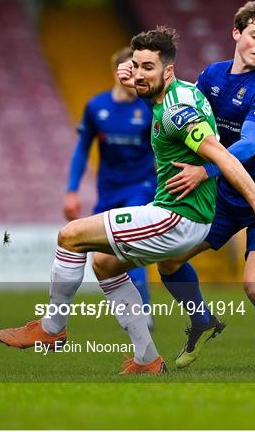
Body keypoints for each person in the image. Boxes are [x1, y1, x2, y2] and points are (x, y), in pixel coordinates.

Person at [0, 26, 255, 376]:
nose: (138, 74)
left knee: (69, 236)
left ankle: (52, 329)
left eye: (147, 68)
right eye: (135, 66)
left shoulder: (178, 113)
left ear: (167, 71)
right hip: (181, 212)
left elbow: (226, 157)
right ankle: (147, 359)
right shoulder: (179, 90)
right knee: (104, 264)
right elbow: (155, 94)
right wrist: (138, 80)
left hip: (178, 217)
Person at [156, 0, 255, 371]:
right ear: (236, 33)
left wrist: (204, 171)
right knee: (169, 261)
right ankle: (202, 321)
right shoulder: (211, 77)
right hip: (222, 196)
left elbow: (248, 146)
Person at [63, 47, 155, 325]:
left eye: (139, 70)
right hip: (108, 190)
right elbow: (82, 150)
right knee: (103, 255)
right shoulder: (96, 106)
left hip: (141, 187)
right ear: (116, 71)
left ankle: (141, 309)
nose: (134, 75)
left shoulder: (149, 106)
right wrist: (71, 190)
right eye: (129, 69)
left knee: (129, 243)